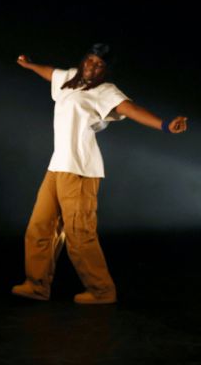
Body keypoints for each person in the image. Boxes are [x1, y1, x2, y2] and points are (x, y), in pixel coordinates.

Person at [12, 44, 187, 305]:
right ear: (84, 60)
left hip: (80, 169)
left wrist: (164, 125)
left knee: (79, 233)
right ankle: (37, 286)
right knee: (39, 227)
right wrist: (29, 65)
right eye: (91, 60)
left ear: (105, 71)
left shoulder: (105, 91)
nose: (92, 66)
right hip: (57, 166)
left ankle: (101, 290)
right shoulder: (69, 79)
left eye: (99, 65)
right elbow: (50, 72)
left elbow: (131, 109)